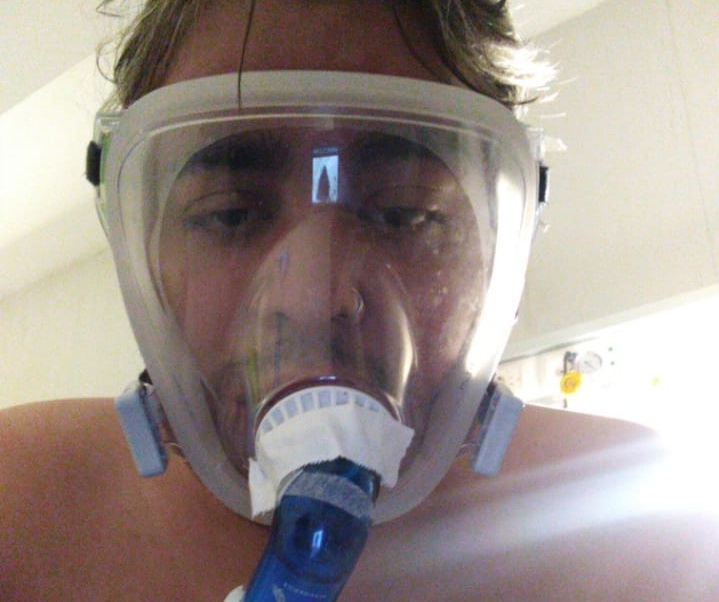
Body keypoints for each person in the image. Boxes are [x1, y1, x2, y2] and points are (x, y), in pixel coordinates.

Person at [1, 1, 718, 600]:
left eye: (406, 213)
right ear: (142, 236)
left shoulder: (648, 536)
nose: (315, 301)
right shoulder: (21, 513)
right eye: (229, 213)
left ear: (497, 239)